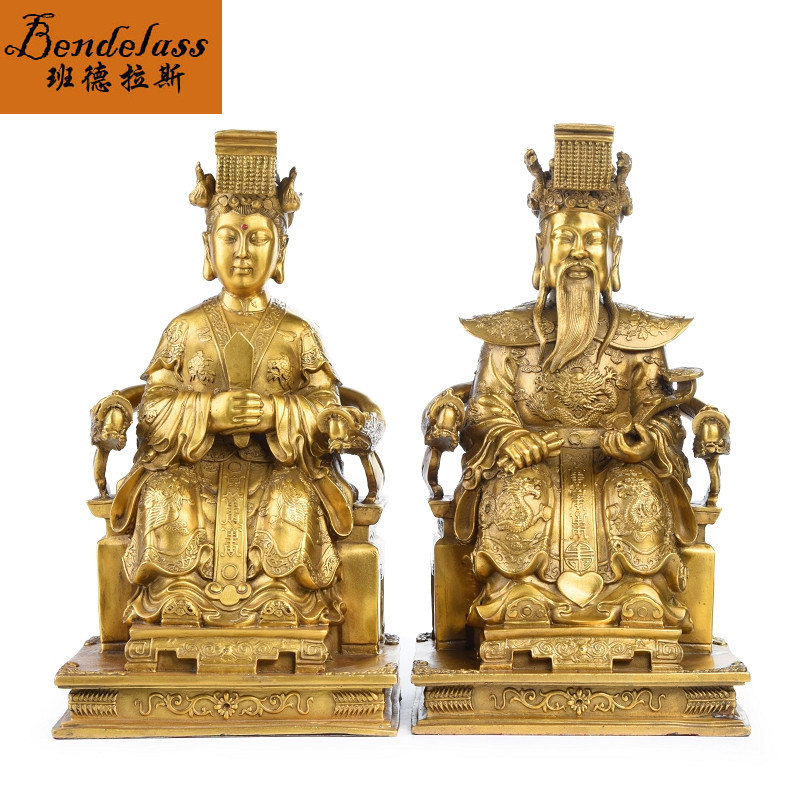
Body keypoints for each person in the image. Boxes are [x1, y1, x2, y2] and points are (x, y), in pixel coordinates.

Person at [109, 131, 362, 628]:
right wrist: (207, 412)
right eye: (229, 236)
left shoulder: (297, 333)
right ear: (208, 246)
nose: (242, 251)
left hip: (278, 466)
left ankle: (283, 603)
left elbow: (328, 406)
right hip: (194, 467)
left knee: (292, 501)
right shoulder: (185, 329)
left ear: (281, 250)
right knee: (165, 497)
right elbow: (153, 407)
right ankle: (176, 601)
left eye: (257, 238)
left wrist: (276, 413)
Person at [451, 124, 697, 631]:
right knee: (517, 492)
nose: (580, 252)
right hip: (534, 464)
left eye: (593, 239)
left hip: (614, 466)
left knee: (636, 492)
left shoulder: (640, 339)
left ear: (614, 254)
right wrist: (510, 437)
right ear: (542, 249)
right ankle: (516, 597)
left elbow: (664, 417)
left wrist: (644, 441)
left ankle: (639, 594)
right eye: (566, 238)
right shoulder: (509, 337)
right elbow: (483, 410)